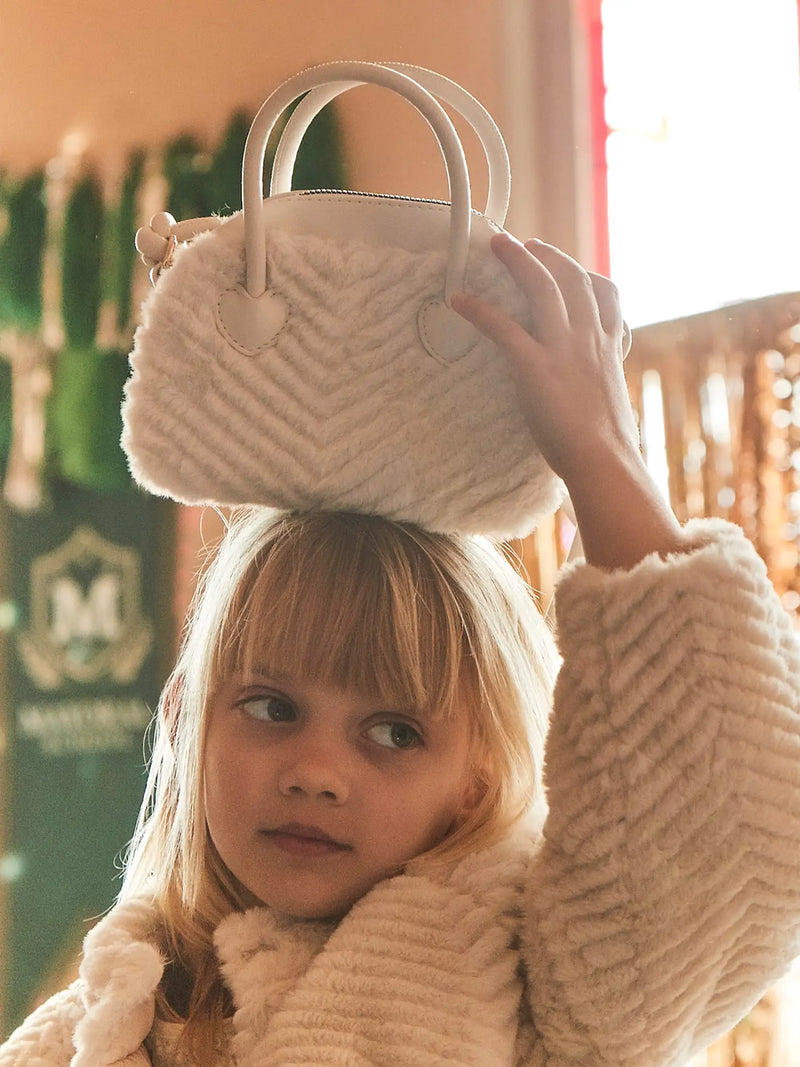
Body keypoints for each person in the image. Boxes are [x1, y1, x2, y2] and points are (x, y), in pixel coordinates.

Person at [2, 234, 799, 1067]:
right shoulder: (107, 1018)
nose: (315, 770)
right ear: (184, 721)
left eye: (394, 732)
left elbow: (728, 832)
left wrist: (603, 456)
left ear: (474, 780)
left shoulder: (545, 992)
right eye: (273, 708)